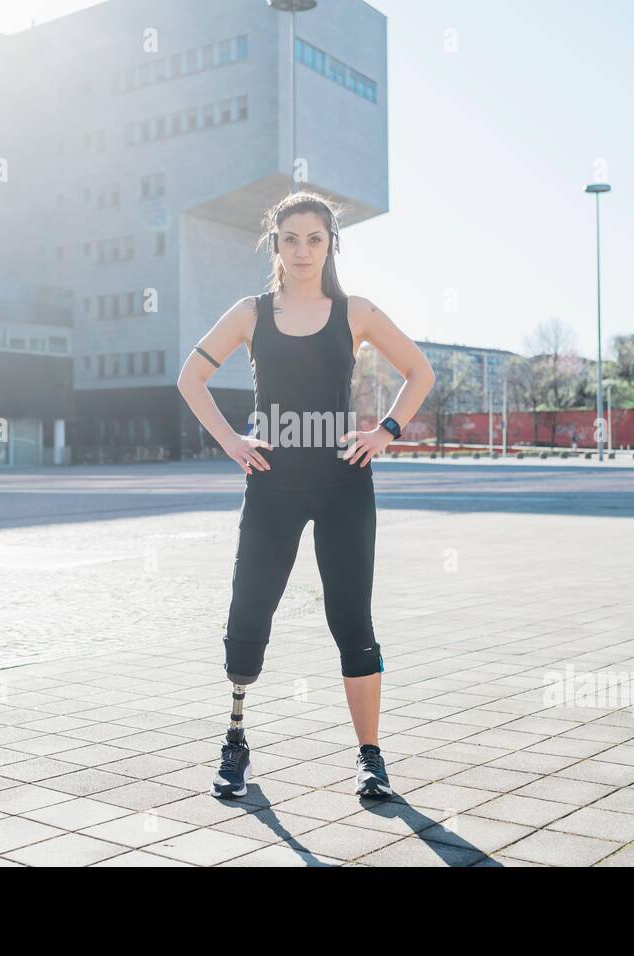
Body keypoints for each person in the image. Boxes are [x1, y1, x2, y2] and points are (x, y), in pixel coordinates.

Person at [177, 191, 435, 801]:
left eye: (314, 239)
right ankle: (235, 741)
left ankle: (370, 757)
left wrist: (384, 433)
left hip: (344, 483)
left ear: (330, 245)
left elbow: (419, 371)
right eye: (290, 239)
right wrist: (231, 441)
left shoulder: (357, 312)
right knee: (248, 615)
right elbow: (191, 377)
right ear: (276, 245)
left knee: (351, 619)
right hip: (273, 484)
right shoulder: (250, 313)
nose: (302, 250)